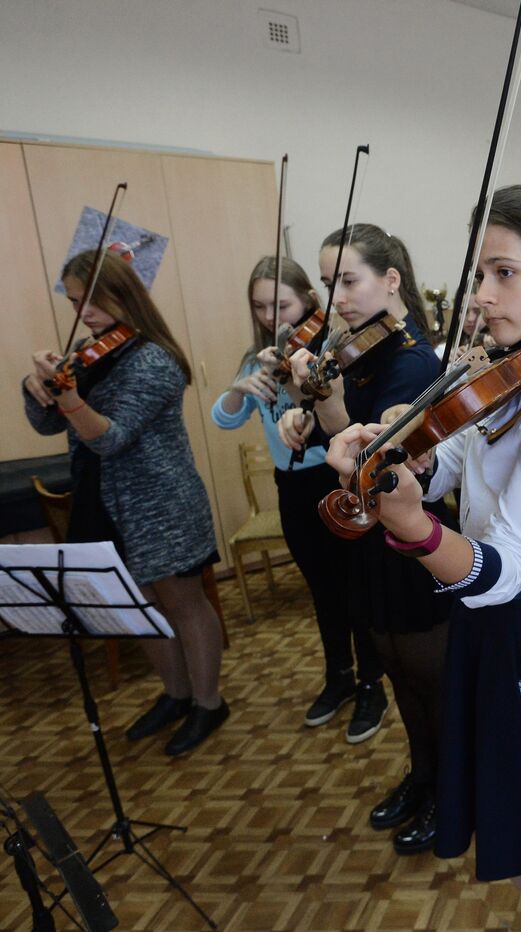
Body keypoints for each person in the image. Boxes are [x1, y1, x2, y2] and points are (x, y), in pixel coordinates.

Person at [324, 186, 521, 929]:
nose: (483, 296)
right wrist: (390, 454)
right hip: (500, 637)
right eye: (479, 276)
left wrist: (411, 525)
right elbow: (451, 467)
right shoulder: (517, 371)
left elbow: (498, 574)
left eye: (504, 273)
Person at [278, 223, 451, 854]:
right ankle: (423, 773)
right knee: (397, 670)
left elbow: (370, 457)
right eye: (328, 283)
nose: (337, 298)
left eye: (348, 280)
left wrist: (322, 407)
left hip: (409, 538)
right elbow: (337, 432)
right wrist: (304, 413)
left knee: (429, 674)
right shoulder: (355, 351)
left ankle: (450, 789)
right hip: (364, 540)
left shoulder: (413, 360)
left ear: (391, 279)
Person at [23, 251, 226, 756]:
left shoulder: (153, 358)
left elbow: (109, 437)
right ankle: (175, 695)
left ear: (123, 292)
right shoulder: (92, 355)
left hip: (160, 504)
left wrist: (68, 395)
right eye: (74, 302)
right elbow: (49, 423)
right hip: (106, 503)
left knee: (183, 602)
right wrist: (36, 390)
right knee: (141, 605)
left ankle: (208, 702)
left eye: (91, 299)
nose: (83, 313)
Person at [212, 257, 382, 736]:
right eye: (260, 306)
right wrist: (237, 387)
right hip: (291, 488)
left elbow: (333, 409)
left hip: (330, 477)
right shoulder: (259, 357)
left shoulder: (327, 346)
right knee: (321, 589)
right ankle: (339, 677)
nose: (271, 316)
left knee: (354, 585)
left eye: (281, 304)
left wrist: (297, 380)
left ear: (309, 298)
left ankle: (372, 683)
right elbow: (224, 418)